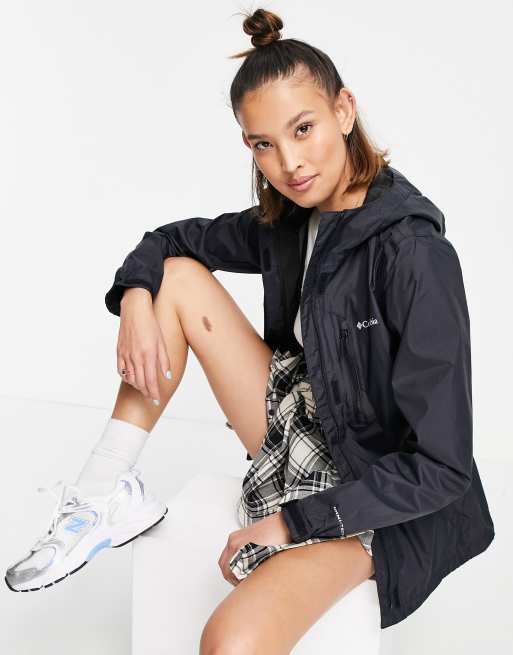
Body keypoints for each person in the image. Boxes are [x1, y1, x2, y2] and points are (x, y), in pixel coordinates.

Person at [5, 6, 494, 649]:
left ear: (345, 110)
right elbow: (170, 240)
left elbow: (442, 467)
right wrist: (134, 297)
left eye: (303, 128)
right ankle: (101, 494)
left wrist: (293, 524)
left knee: (230, 643)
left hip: (380, 490)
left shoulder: (415, 255)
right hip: (305, 423)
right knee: (175, 277)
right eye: (264, 144)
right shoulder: (291, 219)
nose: (290, 163)